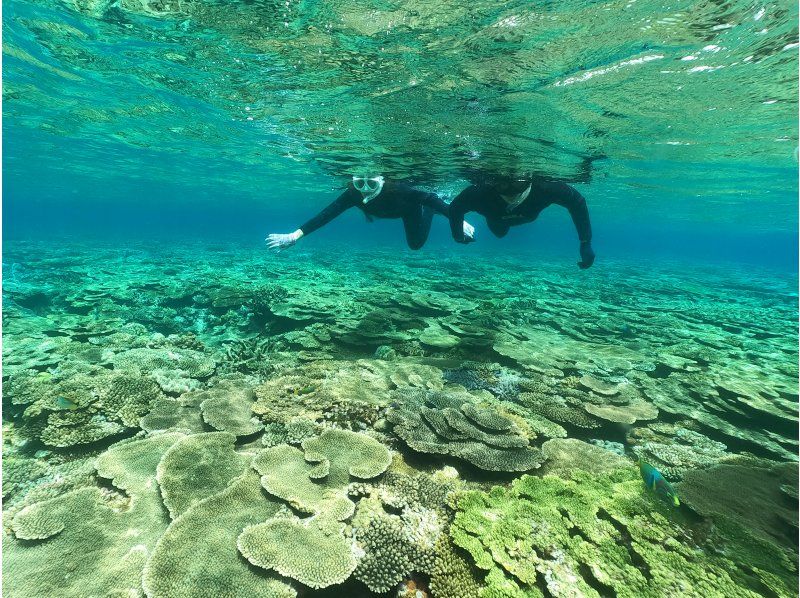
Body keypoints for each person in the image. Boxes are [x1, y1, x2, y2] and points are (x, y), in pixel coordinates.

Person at [267, 175, 474, 250]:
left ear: (382, 180)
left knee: (416, 244)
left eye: (371, 182)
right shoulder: (352, 195)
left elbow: (430, 198)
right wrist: (294, 236)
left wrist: (456, 219)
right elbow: (326, 215)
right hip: (394, 211)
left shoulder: (401, 189)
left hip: (408, 210)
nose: (365, 188)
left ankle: (427, 213)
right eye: (359, 182)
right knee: (415, 246)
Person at [448, 176, 595, 268]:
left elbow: (577, 202)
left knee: (500, 231)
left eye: (519, 183)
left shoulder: (545, 187)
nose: (512, 191)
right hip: (497, 221)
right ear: (493, 181)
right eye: (503, 183)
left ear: (530, 178)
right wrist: (458, 235)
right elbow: (455, 208)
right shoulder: (480, 192)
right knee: (499, 234)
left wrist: (585, 242)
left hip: (510, 217)